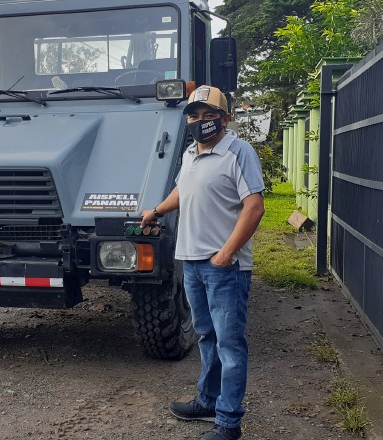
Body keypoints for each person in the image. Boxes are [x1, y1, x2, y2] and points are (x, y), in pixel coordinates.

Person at [140, 85, 265, 440]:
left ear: (225, 119)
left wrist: (226, 253)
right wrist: (157, 211)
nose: (200, 122)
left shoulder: (238, 152)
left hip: (224, 267)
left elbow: (254, 207)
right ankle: (208, 400)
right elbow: (184, 190)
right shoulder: (190, 153)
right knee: (206, 336)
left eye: (209, 115)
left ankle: (228, 423)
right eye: (194, 116)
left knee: (230, 344)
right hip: (191, 262)